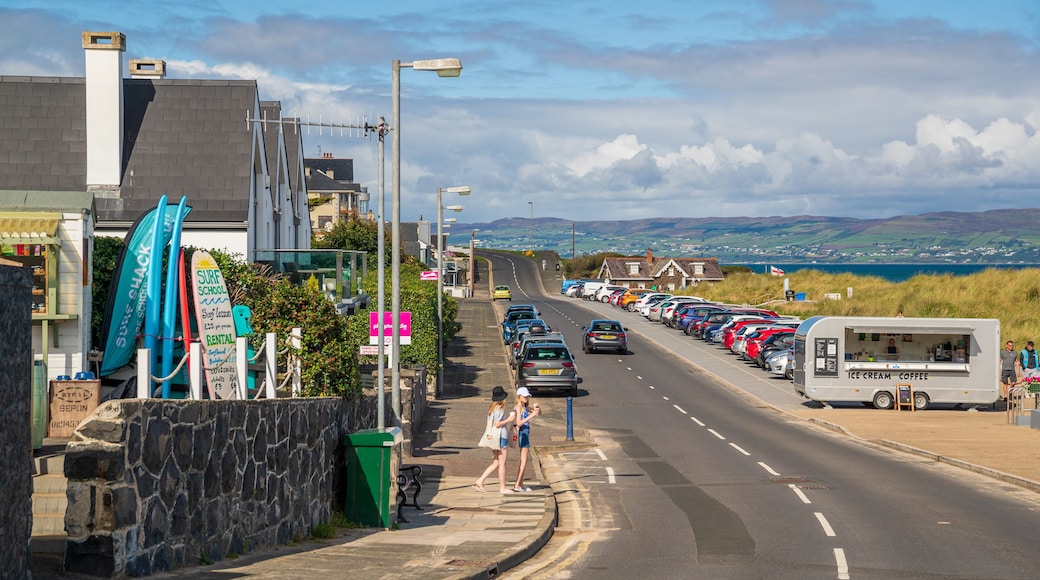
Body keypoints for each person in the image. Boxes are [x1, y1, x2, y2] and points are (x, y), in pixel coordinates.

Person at [474, 386, 516, 494]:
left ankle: (480, 481)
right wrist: (509, 419)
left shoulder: (492, 408)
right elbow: (497, 424)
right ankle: (502, 488)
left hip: (493, 437)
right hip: (501, 437)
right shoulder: (500, 409)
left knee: (496, 462)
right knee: (502, 463)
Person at [511, 387, 541, 493]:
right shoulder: (518, 407)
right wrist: (531, 415)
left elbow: (538, 413)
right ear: (519, 396)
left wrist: (537, 408)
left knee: (524, 461)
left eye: (527, 396)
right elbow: (518, 423)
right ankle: (517, 485)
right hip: (522, 434)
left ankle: (520, 484)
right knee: (524, 461)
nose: (526, 398)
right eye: (524, 396)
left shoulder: (524, 406)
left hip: (526, 434)